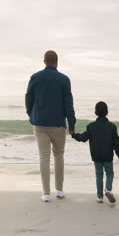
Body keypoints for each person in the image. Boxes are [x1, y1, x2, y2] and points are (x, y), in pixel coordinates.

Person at [25, 50, 76, 202]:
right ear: (57, 62)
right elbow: (68, 103)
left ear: (44, 61)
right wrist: (71, 123)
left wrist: (30, 113)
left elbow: (28, 97)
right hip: (58, 124)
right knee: (59, 155)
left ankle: (46, 193)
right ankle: (59, 190)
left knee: (44, 157)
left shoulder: (35, 77)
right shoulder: (64, 79)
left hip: (39, 123)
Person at [71, 101, 119, 203]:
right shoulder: (112, 127)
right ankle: (108, 189)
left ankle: (100, 197)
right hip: (108, 156)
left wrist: (74, 135)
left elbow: (83, 138)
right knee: (109, 173)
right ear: (107, 112)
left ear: (95, 112)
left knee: (99, 175)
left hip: (96, 156)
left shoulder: (91, 126)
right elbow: (116, 144)